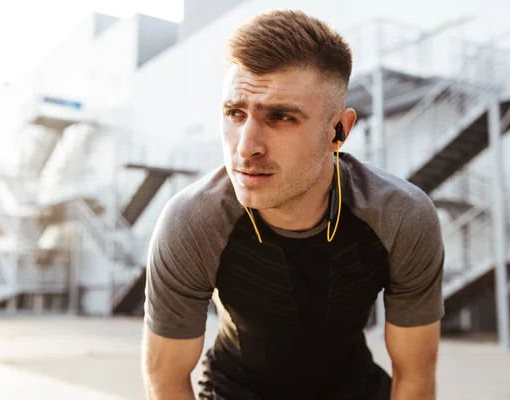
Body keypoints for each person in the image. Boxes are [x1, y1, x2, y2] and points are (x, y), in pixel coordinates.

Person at [142, 9, 444, 400]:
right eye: (235, 113)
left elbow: (415, 376)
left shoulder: (400, 217)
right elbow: (165, 381)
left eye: (281, 117)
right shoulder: (193, 221)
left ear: (339, 131)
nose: (246, 148)